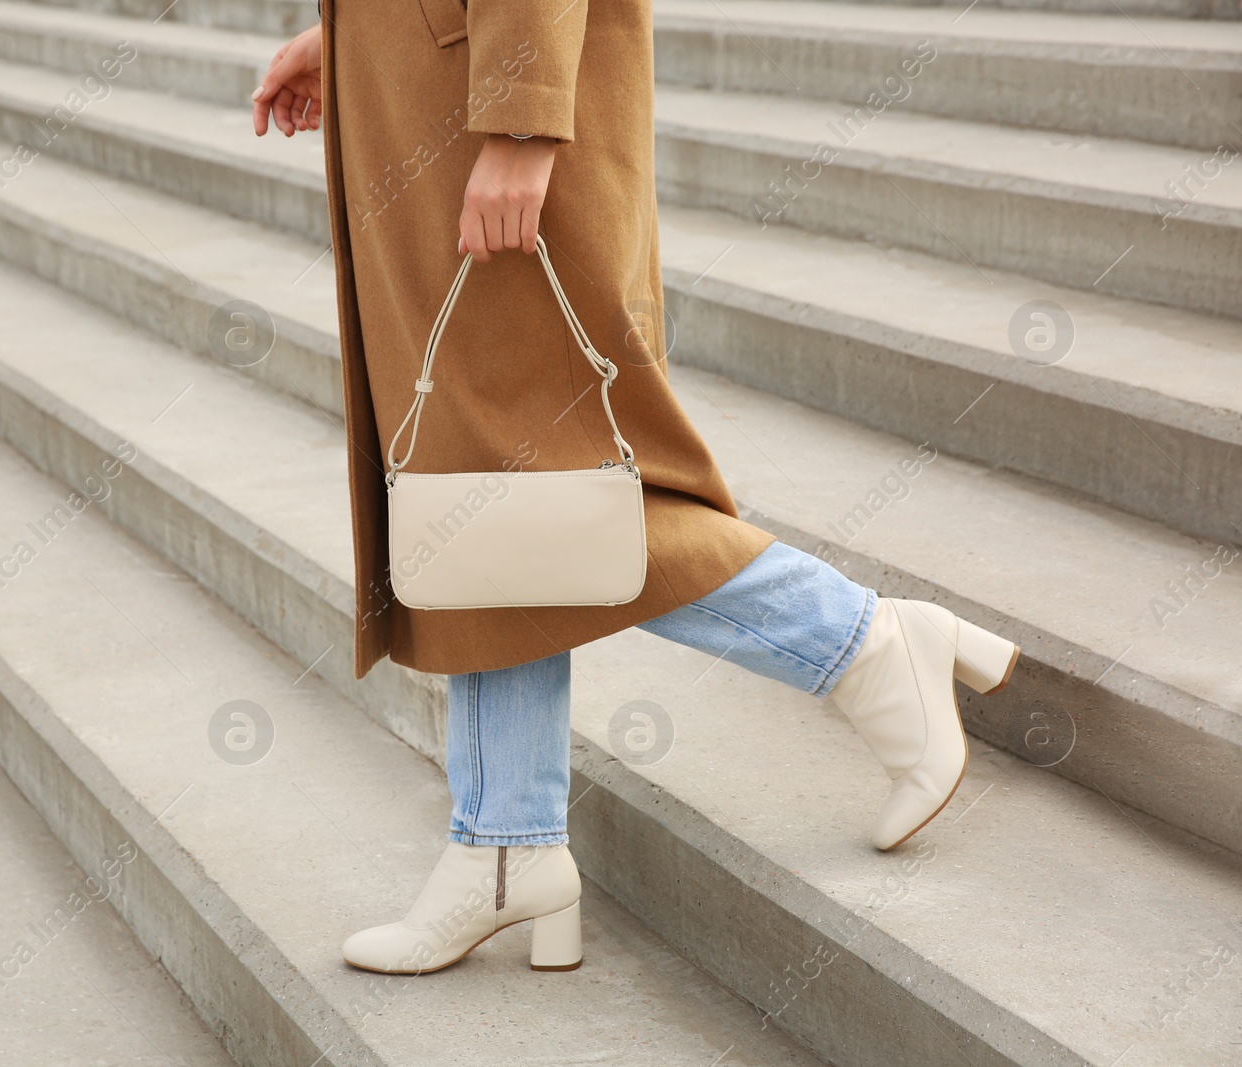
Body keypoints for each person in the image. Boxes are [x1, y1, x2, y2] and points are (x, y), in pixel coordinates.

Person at [251, 2, 1019, 977]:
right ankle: (506, 837)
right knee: (485, 479)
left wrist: (522, 117)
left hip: (497, 97)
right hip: (446, 79)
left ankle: (861, 643)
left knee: (535, 476)